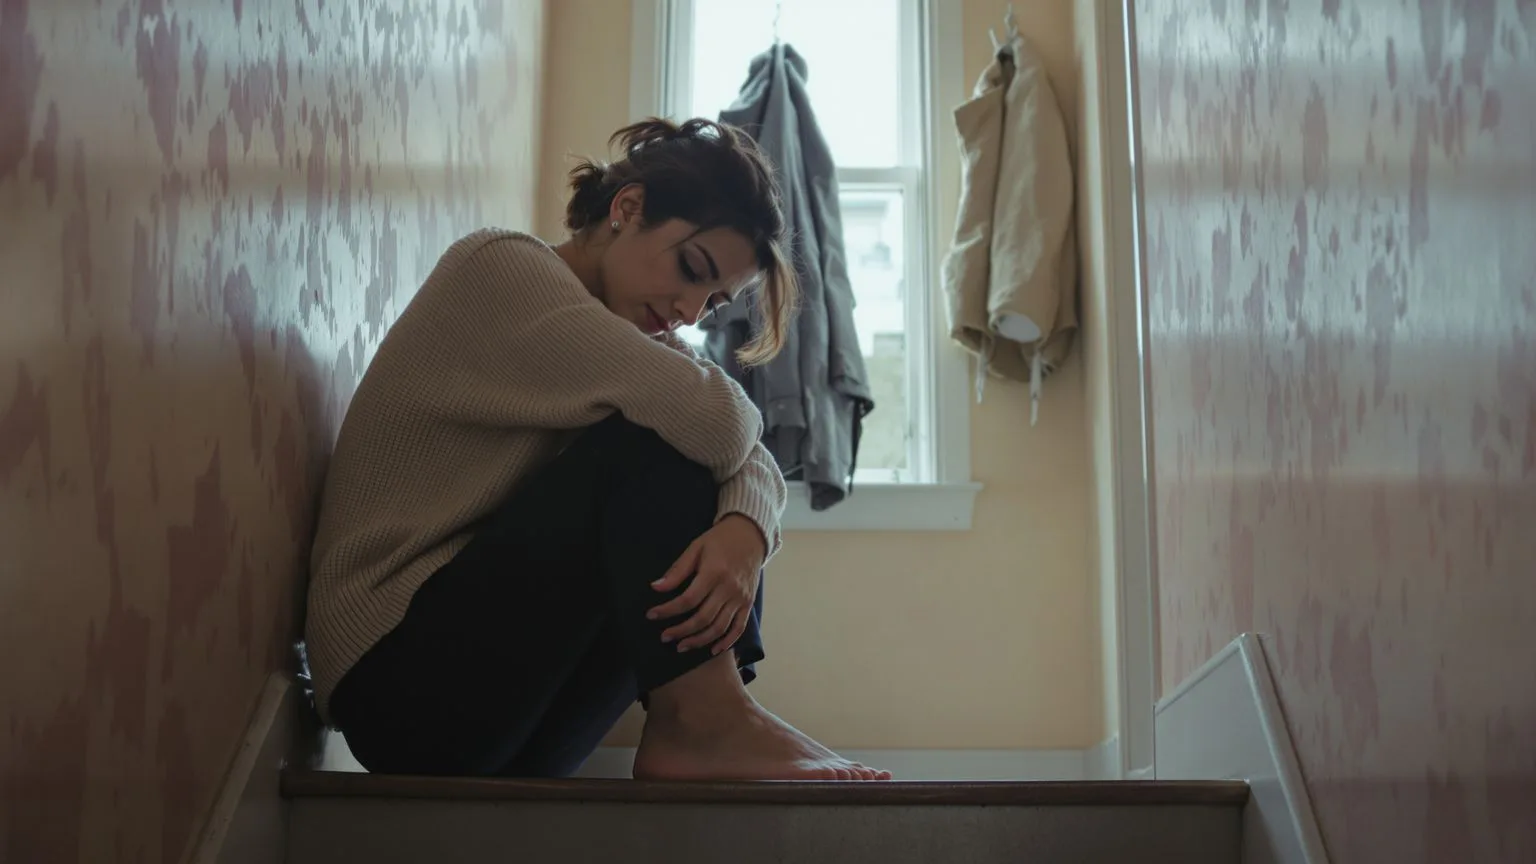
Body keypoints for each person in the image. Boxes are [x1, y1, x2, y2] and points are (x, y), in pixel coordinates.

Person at [303, 118, 890, 782]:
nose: (691, 311)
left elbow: (739, 442)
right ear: (628, 207)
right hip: (395, 685)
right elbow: (720, 424)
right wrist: (740, 508)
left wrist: (746, 532)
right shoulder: (502, 269)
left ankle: (706, 716)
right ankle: (707, 722)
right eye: (690, 270)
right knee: (660, 446)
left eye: (714, 300)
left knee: (686, 449)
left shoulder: (624, 347)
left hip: (511, 726)